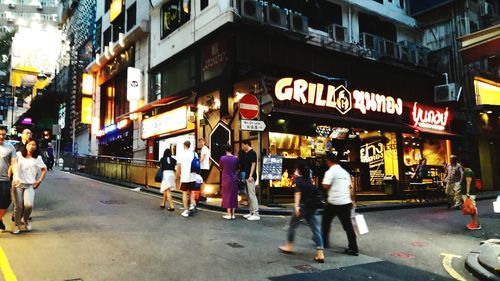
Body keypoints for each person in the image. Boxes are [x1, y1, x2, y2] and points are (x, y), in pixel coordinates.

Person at [279, 160, 325, 263]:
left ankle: (289, 246)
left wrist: (296, 206)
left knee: (292, 226)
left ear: (298, 170)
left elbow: (298, 194)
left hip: (303, 206)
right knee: (315, 229)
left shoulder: (298, 180)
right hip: (312, 206)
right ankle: (320, 253)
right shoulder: (308, 178)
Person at [321, 153, 358, 256]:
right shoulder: (345, 172)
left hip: (333, 202)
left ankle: (324, 242)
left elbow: (325, 185)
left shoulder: (330, 171)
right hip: (346, 202)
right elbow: (350, 188)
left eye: (326, 161)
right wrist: (353, 201)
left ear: (328, 161)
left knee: (325, 222)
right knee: (348, 226)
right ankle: (353, 248)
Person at [12, 138, 46, 234]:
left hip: (29, 185)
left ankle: (25, 219)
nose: (31, 146)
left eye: (34, 144)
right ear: (26, 145)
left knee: (29, 205)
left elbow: (44, 169)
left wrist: (39, 180)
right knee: (18, 206)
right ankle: (17, 225)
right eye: (29, 144)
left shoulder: (37, 158)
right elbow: (12, 164)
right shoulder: (18, 155)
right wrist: (9, 177)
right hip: (17, 184)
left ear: (36, 147)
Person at [0, 127, 20, 232]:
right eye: (0, 134)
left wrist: (16, 176)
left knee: (6, 202)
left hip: (4, 179)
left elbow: (14, 163)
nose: (1, 137)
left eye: (3, 134)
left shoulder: (10, 147)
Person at [176, 140, 199, 217]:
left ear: (184, 145)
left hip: (185, 176)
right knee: (192, 192)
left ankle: (186, 210)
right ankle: (192, 205)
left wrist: (178, 175)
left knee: (185, 193)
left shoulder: (181, 154)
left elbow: (178, 166)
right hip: (193, 176)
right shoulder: (194, 153)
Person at [241, 140, 260, 221]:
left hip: (250, 177)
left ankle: (256, 213)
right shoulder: (247, 153)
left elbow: (253, 165)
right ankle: (251, 212)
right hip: (247, 176)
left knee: (252, 195)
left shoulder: (252, 153)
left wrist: (250, 176)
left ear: (246, 144)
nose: (242, 147)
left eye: (243, 145)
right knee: (248, 195)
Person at [220, 145, 239, 220]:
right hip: (234, 178)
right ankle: (233, 214)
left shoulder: (222, 158)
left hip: (226, 178)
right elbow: (237, 168)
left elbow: (221, 167)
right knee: (234, 195)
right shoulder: (236, 158)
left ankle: (228, 213)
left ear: (226, 150)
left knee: (227, 195)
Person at [460, 160, 480, 230]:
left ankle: (476, 224)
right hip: (468, 193)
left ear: (462, 164)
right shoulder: (467, 171)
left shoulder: (468, 172)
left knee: (473, 208)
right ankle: (474, 222)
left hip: (469, 193)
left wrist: (467, 193)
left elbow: (468, 182)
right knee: (471, 209)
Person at [197, 138, 210, 203]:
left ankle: (203, 196)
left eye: (201, 142)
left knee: (203, 182)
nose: (200, 143)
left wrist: (198, 161)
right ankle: (203, 195)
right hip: (204, 167)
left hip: (204, 168)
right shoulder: (204, 148)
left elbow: (203, 158)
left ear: (204, 142)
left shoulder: (204, 148)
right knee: (202, 182)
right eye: (199, 142)